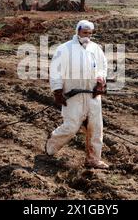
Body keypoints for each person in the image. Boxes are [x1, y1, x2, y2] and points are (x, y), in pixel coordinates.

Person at [46, 20, 109, 169]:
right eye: (84, 32)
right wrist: (57, 91)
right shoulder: (65, 49)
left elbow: (102, 66)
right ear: (78, 31)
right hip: (73, 95)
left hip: (92, 95)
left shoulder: (96, 49)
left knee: (95, 128)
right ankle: (51, 145)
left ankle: (93, 159)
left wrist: (101, 81)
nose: (87, 36)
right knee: (71, 127)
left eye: (90, 33)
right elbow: (56, 71)